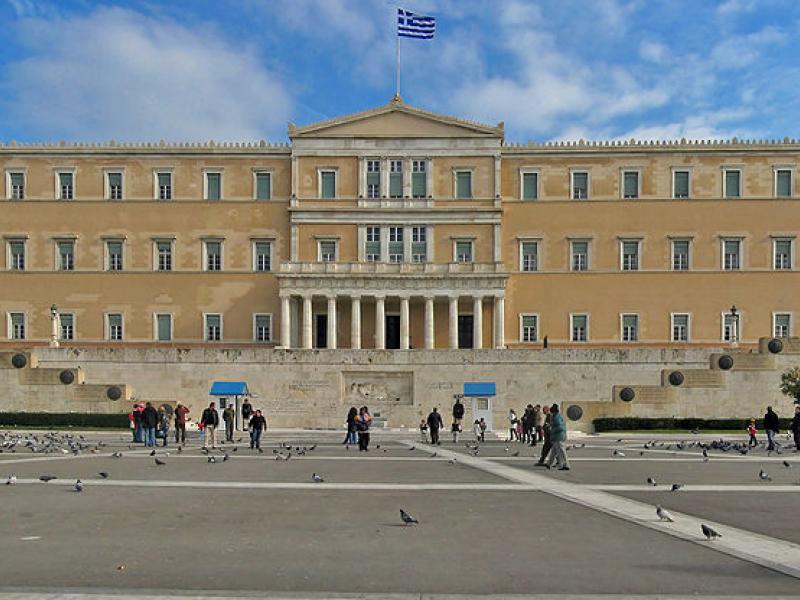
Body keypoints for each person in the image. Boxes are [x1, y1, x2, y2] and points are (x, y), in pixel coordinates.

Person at [545, 404, 570, 470]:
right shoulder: (557, 416)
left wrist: (552, 429)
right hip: (557, 437)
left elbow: (560, 427)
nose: (551, 414)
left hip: (559, 437)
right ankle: (549, 463)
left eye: (551, 412)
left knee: (561, 452)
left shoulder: (557, 417)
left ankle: (565, 465)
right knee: (554, 451)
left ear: (553, 412)